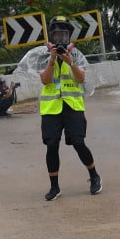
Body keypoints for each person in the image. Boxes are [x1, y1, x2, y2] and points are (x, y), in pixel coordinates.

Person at [37, 15, 102, 200]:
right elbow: (44, 80)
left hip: (73, 106)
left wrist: (70, 62)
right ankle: (54, 187)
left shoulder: (77, 55)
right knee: (51, 145)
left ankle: (94, 175)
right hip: (51, 108)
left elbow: (82, 78)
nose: (60, 39)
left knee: (78, 142)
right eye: (56, 34)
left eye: (63, 35)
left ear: (69, 37)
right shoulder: (44, 55)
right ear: (51, 36)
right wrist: (52, 59)